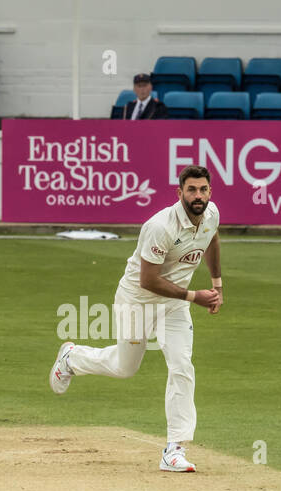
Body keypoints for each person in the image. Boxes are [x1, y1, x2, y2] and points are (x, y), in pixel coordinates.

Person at [48, 165, 223, 473]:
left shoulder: (210, 215)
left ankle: (174, 448)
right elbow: (148, 280)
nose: (198, 195)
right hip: (137, 302)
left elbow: (212, 239)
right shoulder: (160, 226)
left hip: (174, 306)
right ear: (179, 192)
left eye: (203, 189)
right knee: (125, 368)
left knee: (182, 365)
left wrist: (217, 284)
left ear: (210, 191)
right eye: (192, 190)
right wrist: (196, 296)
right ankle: (73, 358)